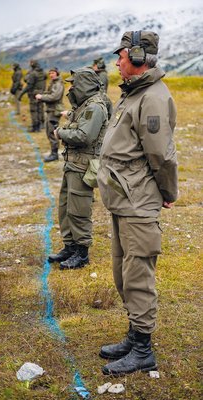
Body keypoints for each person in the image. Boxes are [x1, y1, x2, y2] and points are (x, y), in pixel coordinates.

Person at [97, 31, 178, 376]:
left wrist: (168, 192)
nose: (117, 62)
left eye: (122, 56)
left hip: (139, 200)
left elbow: (161, 155)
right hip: (123, 200)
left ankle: (143, 350)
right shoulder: (134, 93)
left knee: (138, 274)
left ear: (140, 57)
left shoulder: (153, 98)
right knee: (123, 273)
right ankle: (134, 334)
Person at [48, 67, 108, 269]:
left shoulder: (95, 107)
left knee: (79, 209)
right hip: (73, 163)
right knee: (65, 207)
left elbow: (84, 136)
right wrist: (67, 129)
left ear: (84, 84)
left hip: (83, 166)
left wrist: (61, 133)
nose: (71, 87)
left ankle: (82, 254)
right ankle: (70, 247)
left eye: (74, 83)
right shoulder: (84, 105)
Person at [35, 67, 64, 162]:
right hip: (51, 110)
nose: (51, 75)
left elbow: (54, 97)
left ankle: (54, 154)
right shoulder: (53, 83)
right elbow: (50, 93)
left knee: (52, 132)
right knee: (49, 131)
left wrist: (42, 97)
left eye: (53, 73)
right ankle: (53, 152)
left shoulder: (58, 83)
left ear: (57, 73)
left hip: (54, 111)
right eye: (50, 73)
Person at [19, 59, 46, 132]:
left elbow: (28, 85)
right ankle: (41, 124)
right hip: (41, 93)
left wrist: (21, 94)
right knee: (40, 109)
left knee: (34, 110)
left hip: (33, 94)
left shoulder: (32, 73)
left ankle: (36, 127)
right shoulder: (42, 72)